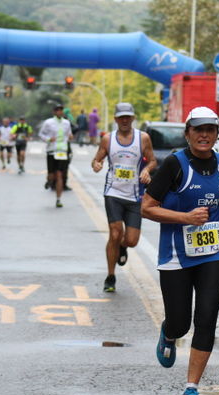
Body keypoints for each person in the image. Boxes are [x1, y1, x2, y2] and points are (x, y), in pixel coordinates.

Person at [141, 106, 219, 395]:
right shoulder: (174, 164)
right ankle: (170, 332)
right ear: (187, 133)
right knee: (181, 321)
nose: (204, 135)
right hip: (176, 255)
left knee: (207, 317)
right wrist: (186, 218)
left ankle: (191, 387)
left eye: (210, 130)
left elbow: (218, 205)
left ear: (216, 134)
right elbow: (147, 208)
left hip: (213, 252)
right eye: (198, 129)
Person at [91, 103, 157, 293]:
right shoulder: (107, 139)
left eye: (128, 116)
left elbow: (152, 160)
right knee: (114, 232)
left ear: (133, 118)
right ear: (116, 119)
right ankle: (110, 276)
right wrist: (96, 164)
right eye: (121, 117)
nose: (125, 120)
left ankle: (122, 247)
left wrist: (146, 170)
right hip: (113, 193)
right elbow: (97, 159)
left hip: (135, 196)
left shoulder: (143, 138)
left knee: (132, 240)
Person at [38, 103, 73, 208]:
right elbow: (41, 134)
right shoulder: (48, 122)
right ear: (54, 112)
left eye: (61, 110)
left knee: (60, 175)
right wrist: (48, 139)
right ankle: (49, 180)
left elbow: (69, 134)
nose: (60, 112)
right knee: (52, 175)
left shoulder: (67, 123)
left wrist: (70, 136)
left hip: (63, 152)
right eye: (57, 110)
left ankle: (58, 199)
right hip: (52, 151)